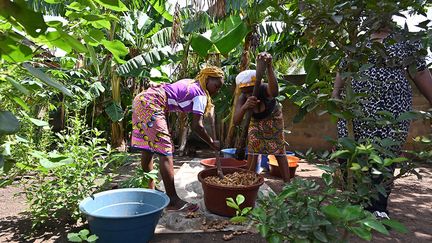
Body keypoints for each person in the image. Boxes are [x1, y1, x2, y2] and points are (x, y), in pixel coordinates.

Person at [332, 20, 432, 219]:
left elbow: (420, 72)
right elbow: (343, 68)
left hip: (393, 109)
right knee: (350, 150)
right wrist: (335, 92)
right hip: (355, 108)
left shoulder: (406, 40)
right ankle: (353, 202)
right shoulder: (357, 40)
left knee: (385, 154)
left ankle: (377, 207)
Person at [131, 66, 224, 211]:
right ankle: (173, 200)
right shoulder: (201, 94)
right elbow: (197, 126)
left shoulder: (191, 83)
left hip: (142, 99)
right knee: (166, 152)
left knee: (148, 147)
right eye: (216, 86)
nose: (216, 90)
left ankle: (150, 190)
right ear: (207, 79)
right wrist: (212, 143)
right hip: (152, 103)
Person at [233, 52, 291, 182]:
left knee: (279, 151)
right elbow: (236, 121)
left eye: (250, 91)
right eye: (245, 92)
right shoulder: (243, 98)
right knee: (254, 150)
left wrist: (269, 66)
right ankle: (250, 181)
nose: (248, 94)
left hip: (273, 120)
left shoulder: (265, 89)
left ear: (257, 86)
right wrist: (244, 107)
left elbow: (275, 92)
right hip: (255, 122)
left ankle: (288, 184)